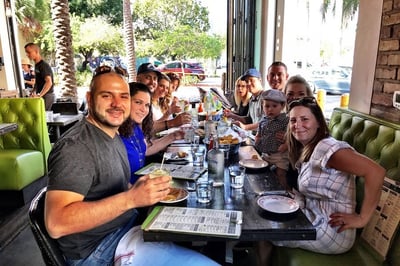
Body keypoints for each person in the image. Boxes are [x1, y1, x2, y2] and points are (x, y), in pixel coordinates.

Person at [45, 66, 217, 265]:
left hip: (127, 226)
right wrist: (131, 198)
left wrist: (147, 192)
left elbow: (115, 185)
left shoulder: (112, 134)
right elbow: (56, 223)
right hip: (98, 249)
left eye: (124, 97)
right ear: (90, 98)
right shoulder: (76, 147)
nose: (117, 104)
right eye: (107, 96)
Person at [256, 97, 385, 265]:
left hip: (333, 230)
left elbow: (376, 172)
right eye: (293, 120)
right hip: (314, 218)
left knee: (265, 229)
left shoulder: (328, 149)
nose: (297, 125)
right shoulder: (308, 148)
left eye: (305, 119)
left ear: (318, 123)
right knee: (263, 215)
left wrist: (361, 219)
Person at [119, 82, 185, 184]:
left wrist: (173, 136)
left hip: (142, 187)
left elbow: (145, 149)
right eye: (138, 102)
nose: (144, 109)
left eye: (147, 105)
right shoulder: (116, 133)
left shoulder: (134, 127)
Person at [255, 89, 289, 189]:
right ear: (262, 106)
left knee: (280, 174)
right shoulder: (263, 121)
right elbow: (259, 132)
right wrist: (257, 138)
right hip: (266, 153)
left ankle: (285, 190)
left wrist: (286, 144)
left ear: (282, 106)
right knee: (262, 170)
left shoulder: (284, 120)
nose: (270, 109)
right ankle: (265, 187)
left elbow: (289, 134)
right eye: (267, 106)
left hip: (280, 154)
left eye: (274, 106)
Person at [24, 42, 55, 110]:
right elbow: (38, 81)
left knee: (45, 118)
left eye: (29, 52)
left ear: (36, 52)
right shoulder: (37, 65)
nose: (27, 55)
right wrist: (33, 91)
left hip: (47, 96)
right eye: (26, 52)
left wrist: (39, 95)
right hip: (42, 95)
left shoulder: (43, 65)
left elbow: (49, 82)